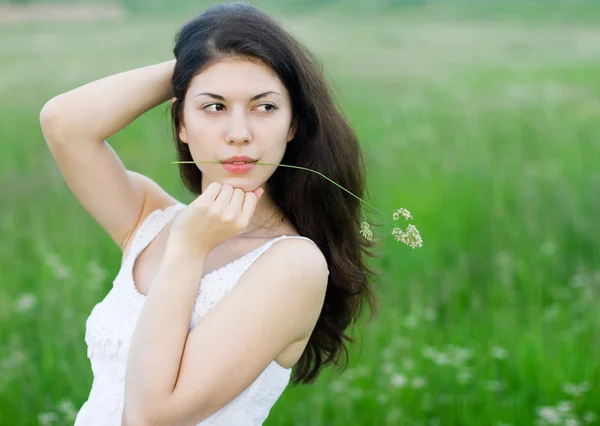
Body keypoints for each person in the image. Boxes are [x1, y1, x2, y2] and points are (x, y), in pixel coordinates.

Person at [39, 2, 379, 425]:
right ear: (181, 121)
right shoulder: (149, 217)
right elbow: (63, 122)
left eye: (265, 106)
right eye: (214, 107)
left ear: (293, 125)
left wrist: (189, 245)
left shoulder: (292, 264)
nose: (239, 134)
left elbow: (149, 417)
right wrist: (202, 60)